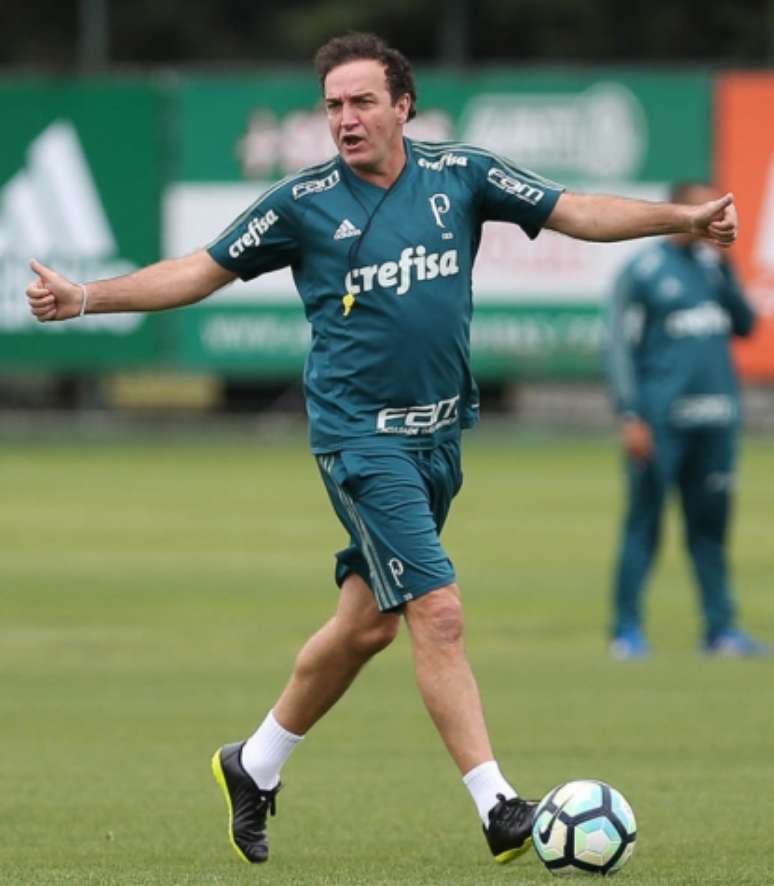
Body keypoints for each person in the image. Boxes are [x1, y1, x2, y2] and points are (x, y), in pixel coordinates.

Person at [26, 34, 739, 866]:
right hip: (360, 442)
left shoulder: (461, 175)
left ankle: (252, 764)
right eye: (332, 105)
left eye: (362, 101)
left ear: (405, 105)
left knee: (365, 628)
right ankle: (499, 807)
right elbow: (199, 270)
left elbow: (576, 210)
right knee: (438, 612)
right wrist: (84, 297)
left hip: (439, 440)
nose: (345, 119)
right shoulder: (301, 203)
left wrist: (681, 219)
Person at [606, 181, 766, 660]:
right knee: (645, 525)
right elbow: (618, 346)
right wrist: (630, 413)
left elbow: (746, 325)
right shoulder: (643, 270)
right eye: (705, 206)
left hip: (716, 417)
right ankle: (626, 631)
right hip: (661, 423)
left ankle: (720, 630)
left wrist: (724, 270)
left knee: (711, 528)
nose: (716, 216)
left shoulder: (712, 266)